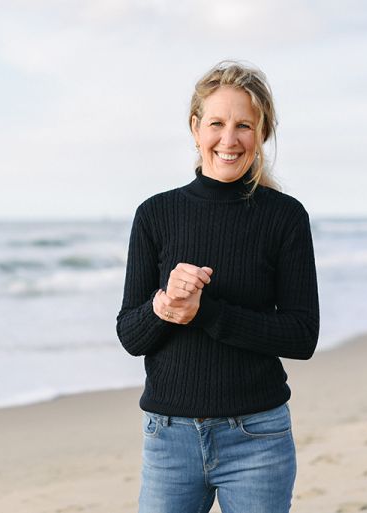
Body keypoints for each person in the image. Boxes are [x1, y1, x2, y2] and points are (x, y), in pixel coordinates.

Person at [116, 60, 320, 513]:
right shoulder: (155, 214)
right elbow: (130, 336)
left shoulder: (285, 217)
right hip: (168, 439)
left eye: (244, 125)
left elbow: (302, 336)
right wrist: (165, 307)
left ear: (262, 133)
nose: (229, 140)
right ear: (195, 128)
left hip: (258, 438)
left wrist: (206, 312)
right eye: (216, 123)